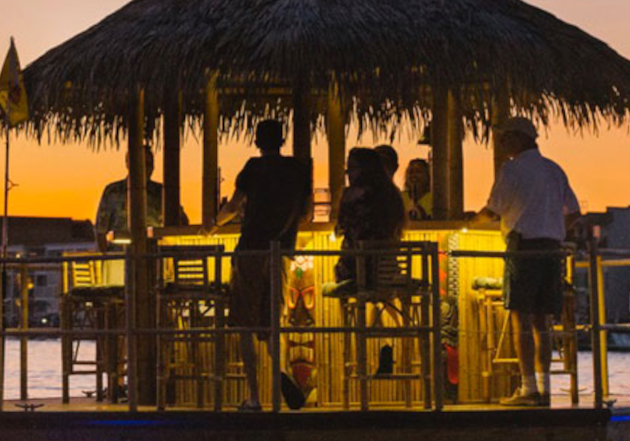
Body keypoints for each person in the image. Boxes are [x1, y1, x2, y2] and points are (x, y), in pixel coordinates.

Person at [475, 116, 581, 407]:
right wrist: (554, 227)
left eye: (504, 137)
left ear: (518, 138)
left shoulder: (512, 169)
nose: (501, 142)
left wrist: (475, 221)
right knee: (542, 321)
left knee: (520, 318)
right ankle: (544, 387)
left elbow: (494, 208)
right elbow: (574, 212)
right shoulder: (553, 170)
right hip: (551, 248)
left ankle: (528, 388)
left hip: (522, 247)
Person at [210, 118, 312, 411]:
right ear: (282, 140)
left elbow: (233, 207)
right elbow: (305, 214)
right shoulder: (298, 170)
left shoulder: (253, 168)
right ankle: (282, 377)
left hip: (251, 251)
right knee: (270, 325)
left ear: (257, 141)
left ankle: (254, 397)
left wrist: (214, 224)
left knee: (244, 324)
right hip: (280, 252)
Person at [329, 146, 406, 294]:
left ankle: (351, 317)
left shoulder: (352, 195)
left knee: (339, 276)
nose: (348, 173)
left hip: (358, 273)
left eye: (352, 168)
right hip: (389, 272)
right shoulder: (393, 195)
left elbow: (341, 229)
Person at [94, 146, 188, 252]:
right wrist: (105, 258)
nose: (145, 169)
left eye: (149, 165)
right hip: (120, 254)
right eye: (141, 164)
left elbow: (182, 223)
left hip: (156, 254)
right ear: (128, 164)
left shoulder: (161, 192)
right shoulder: (113, 191)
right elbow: (100, 230)